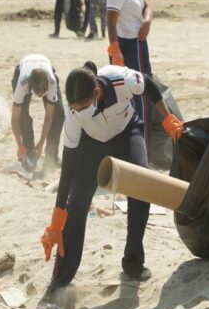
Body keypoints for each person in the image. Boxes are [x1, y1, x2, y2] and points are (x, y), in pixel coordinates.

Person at [40, 61, 184, 295]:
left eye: (84, 106)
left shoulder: (121, 80)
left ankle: (133, 262)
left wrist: (168, 119)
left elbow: (148, 84)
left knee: (141, 187)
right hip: (91, 145)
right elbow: (68, 168)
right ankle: (60, 279)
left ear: (96, 92)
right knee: (75, 206)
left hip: (127, 133)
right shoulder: (74, 117)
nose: (79, 111)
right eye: (74, 108)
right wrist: (57, 217)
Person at [106, 0, 154, 148]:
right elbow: (110, 22)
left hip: (139, 43)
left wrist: (147, 21)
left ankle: (141, 142)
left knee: (141, 92)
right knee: (136, 92)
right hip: (127, 45)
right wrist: (115, 51)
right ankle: (139, 144)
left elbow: (147, 6)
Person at [11, 54, 65, 173]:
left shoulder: (51, 82)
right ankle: (28, 151)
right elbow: (15, 119)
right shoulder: (22, 84)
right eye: (37, 92)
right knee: (23, 117)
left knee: (59, 115)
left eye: (43, 92)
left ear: (47, 87)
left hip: (46, 66)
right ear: (31, 87)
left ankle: (52, 155)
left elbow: (49, 117)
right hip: (22, 69)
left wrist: (40, 144)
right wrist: (19, 145)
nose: (40, 95)